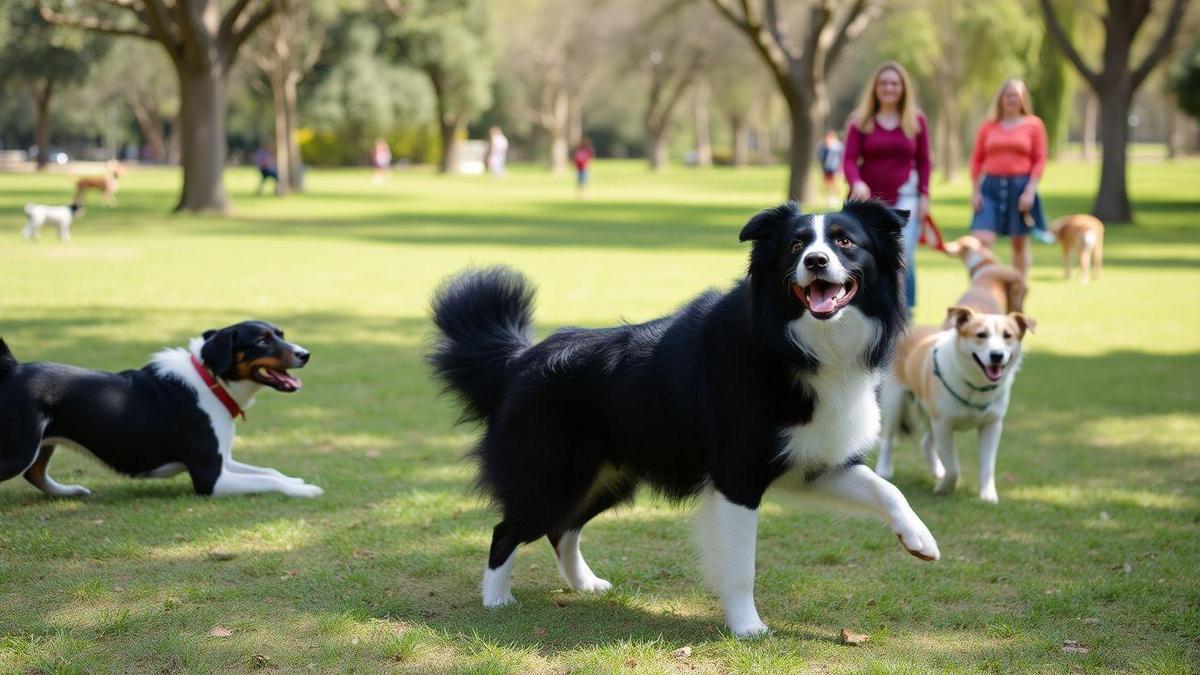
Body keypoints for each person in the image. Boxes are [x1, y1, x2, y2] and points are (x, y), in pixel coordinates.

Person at [842, 61, 931, 310]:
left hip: (906, 198)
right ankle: (868, 308)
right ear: (875, 88)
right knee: (868, 255)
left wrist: (925, 195)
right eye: (883, 83)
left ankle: (906, 312)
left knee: (904, 256)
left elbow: (924, 161)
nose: (889, 88)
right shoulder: (860, 121)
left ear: (903, 88)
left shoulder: (916, 122)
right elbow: (848, 159)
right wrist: (856, 182)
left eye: (894, 83)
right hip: (868, 204)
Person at [969, 79, 1049, 280]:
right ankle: (983, 284)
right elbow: (977, 160)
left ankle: (1018, 289)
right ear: (1001, 99)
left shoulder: (1034, 125)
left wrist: (1030, 191)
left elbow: (1039, 160)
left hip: (1020, 187)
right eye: (1008, 95)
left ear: (1023, 99)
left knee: (1019, 244)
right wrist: (975, 191)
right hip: (990, 187)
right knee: (982, 239)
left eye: (1016, 95)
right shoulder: (988, 126)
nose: (1012, 99)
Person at [816, 130, 844, 207]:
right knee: (826, 184)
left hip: (835, 168)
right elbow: (820, 155)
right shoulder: (824, 146)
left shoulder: (838, 147)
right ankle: (828, 199)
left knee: (835, 184)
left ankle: (836, 199)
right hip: (826, 168)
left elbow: (842, 157)